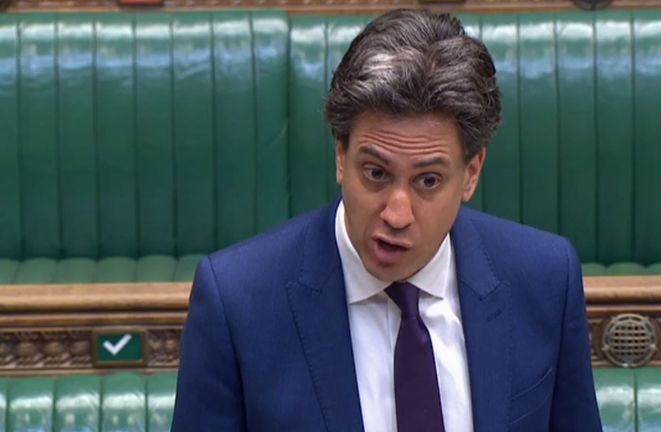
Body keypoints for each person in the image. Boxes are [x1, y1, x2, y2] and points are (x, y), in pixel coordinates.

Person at [171, 8, 602, 432]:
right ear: (341, 156)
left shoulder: (545, 279)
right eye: (375, 173)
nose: (396, 214)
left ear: (471, 173)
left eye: (428, 180)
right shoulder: (238, 302)